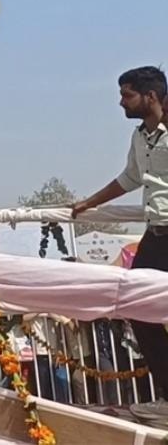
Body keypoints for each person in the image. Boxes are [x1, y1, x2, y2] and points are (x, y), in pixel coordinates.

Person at [71, 66, 168, 410]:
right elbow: (130, 178)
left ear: (151, 96)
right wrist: (89, 203)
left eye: (127, 95)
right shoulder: (141, 136)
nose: (121, 102)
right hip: (157, 235)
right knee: (138, 307)